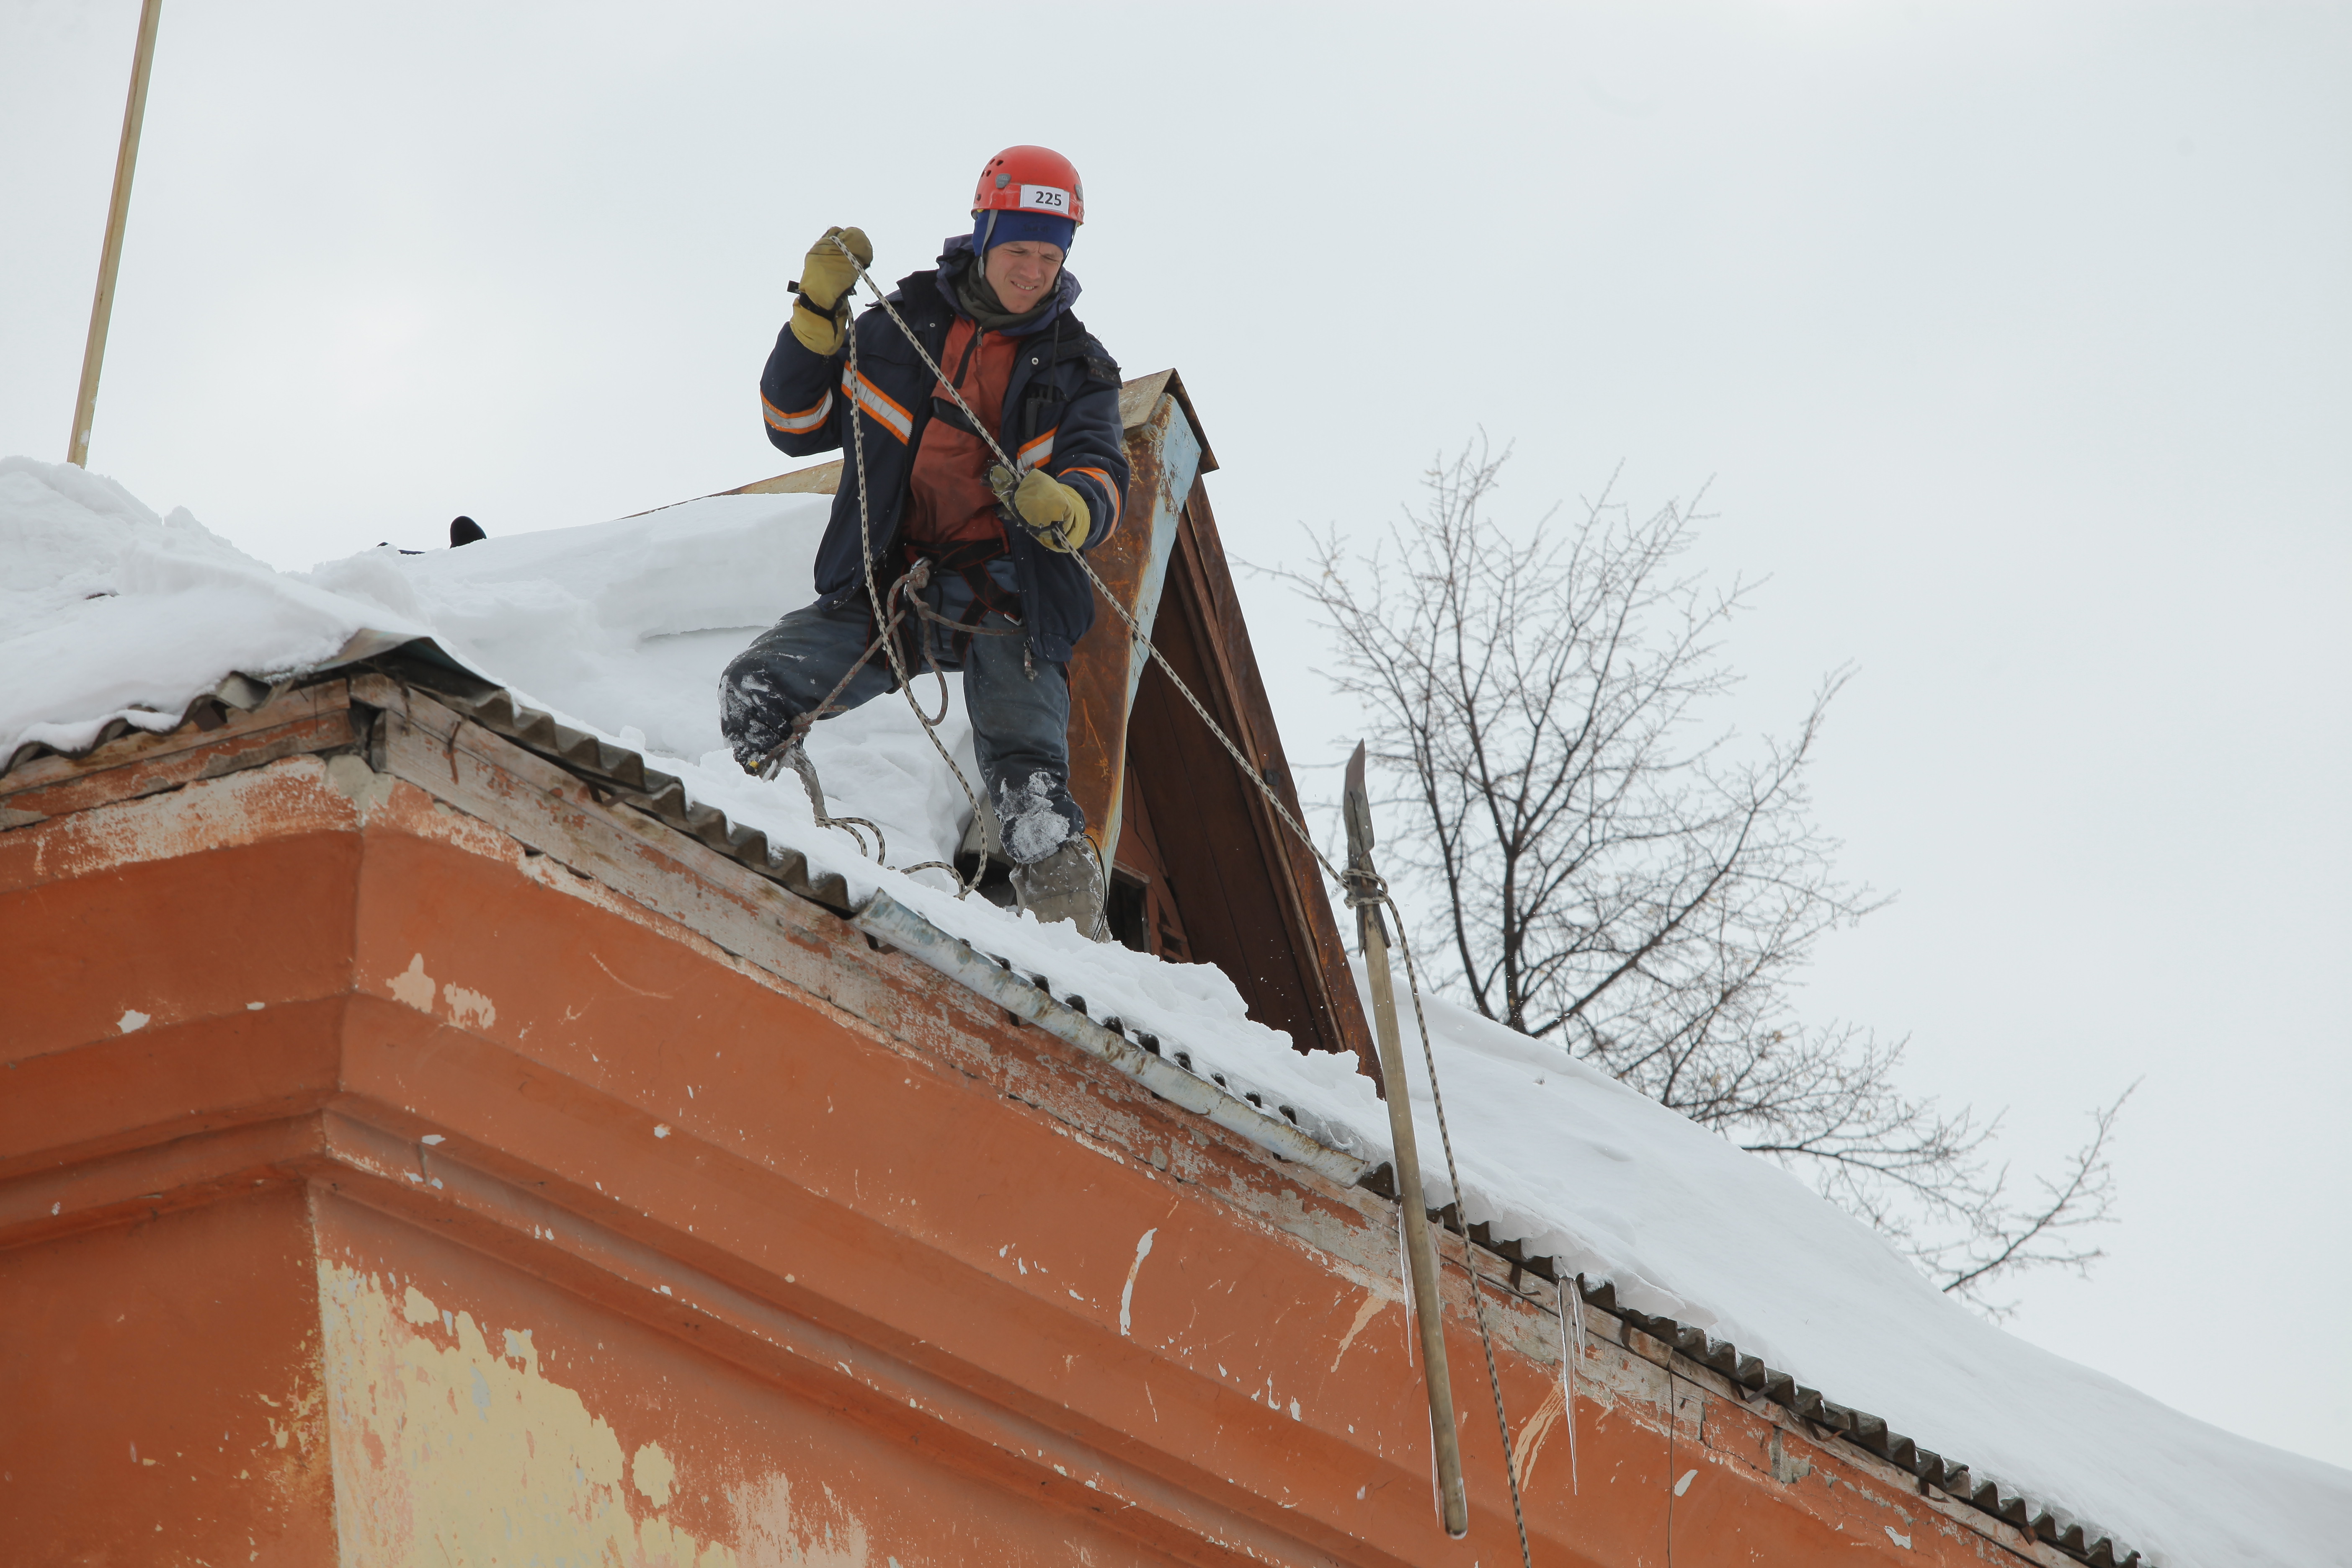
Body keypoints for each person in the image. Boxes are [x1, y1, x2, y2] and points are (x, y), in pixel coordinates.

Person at [719, 145, 1130, 938]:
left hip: (1010, 601)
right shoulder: (894, 332)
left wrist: (1073, 509)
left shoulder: (1081, 370)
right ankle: (758, 845)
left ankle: (1089, 955)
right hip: (889, 586)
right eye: (1018, 250)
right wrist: (813, 318)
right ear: (982, 236)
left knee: (1030, 792)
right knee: (755, 689)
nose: (1032, 270)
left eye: (1050, 256)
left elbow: (1103, 475)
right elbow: (793, 427)